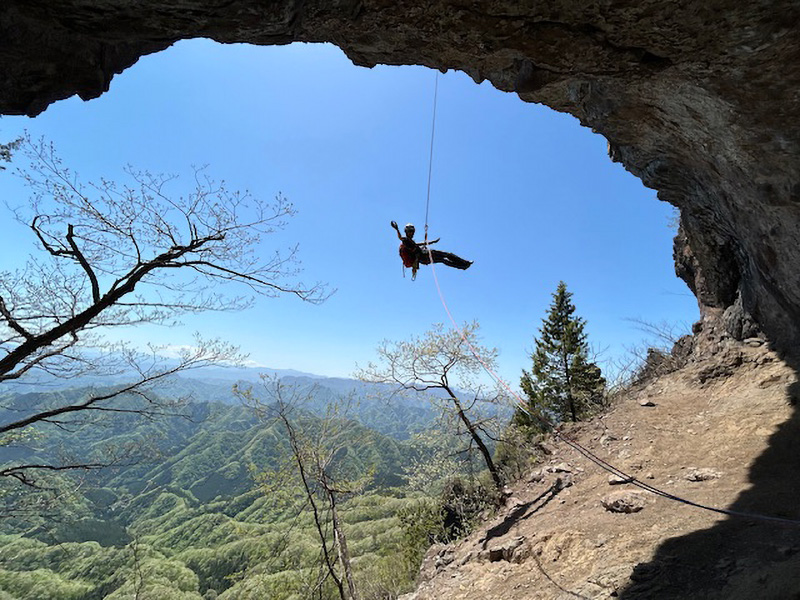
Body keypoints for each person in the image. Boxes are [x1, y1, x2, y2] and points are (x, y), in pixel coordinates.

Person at [391, 221, 472, 279]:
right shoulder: (405, 241)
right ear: (406, 232)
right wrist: (397, 229)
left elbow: (420, 244)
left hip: (424, 254)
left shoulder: (410, 242)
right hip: (423, 257)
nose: (412, 233)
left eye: (413, 231)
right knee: (443, 259)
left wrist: (432, 242)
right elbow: (400, 238)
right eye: (410, 231)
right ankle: (463, 265)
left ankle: (464, 264)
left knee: (447, 255)